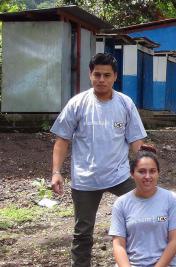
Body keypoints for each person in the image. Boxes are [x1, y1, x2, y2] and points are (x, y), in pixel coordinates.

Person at [50, 53, 147, 266]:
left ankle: (141, 261)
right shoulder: (77, 103)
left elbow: (136, 141)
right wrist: (56, 172)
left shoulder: (125, 103)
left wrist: (145, 169)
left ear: (115, 77)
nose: (101, 79)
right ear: (90, 75)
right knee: (82, 232)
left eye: (106, 75)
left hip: (120, 176)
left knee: (141, 217)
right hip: (85, 179)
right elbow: (62, 140)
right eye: (97, 75)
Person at [109, 145, 176, 267]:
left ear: (158, 173)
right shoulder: (121, 203)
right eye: (141, 171)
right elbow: (118, 244)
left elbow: (175, 241)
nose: (147, 176)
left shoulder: (171, 199)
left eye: (152, 171)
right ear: (132, 173)